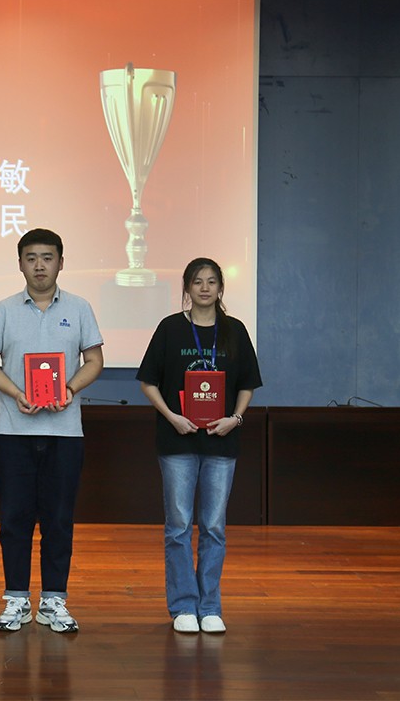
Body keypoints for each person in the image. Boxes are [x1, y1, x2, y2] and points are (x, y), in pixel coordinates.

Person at [0, 228, 104, 633]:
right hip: (13, 431)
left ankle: (53, 600)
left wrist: (70, 389)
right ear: (20, 264)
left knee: (58, 520)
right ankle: (16, 599)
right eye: (31, 258)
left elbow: (94, 360)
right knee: (14, 519)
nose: (39, 265)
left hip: (65, 432)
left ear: (61, 262)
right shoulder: (4, 309)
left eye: (47, 257)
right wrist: (16, 393)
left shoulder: (80, 308)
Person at [136, 257, 262, 635]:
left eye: (211, 281)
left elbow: (247, 384)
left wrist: (235, 418)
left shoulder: (235, 331)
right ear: (187, 288)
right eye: (197, 281)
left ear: (220, 288)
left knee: (214, 527)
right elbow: (148, 382)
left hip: (222, 442)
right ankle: (183, 606)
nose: (204, 288)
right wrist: (172, 416)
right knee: (178, 526)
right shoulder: (171, 328)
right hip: (177, 440)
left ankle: (210, 607)